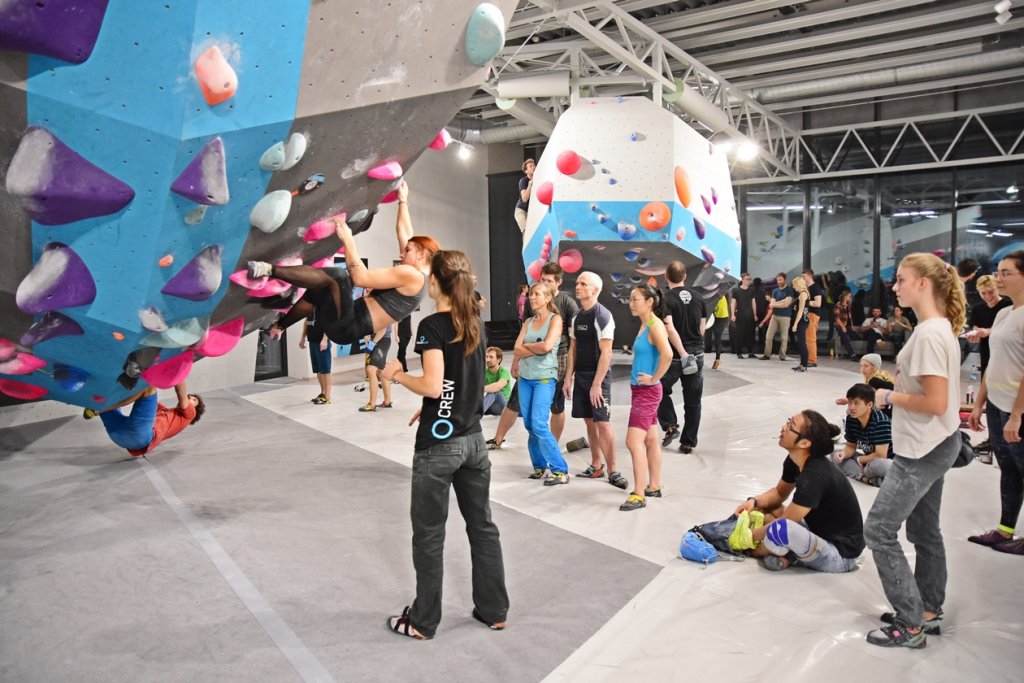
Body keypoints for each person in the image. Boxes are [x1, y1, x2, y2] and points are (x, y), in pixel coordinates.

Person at [380, 250, 508, 640]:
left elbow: (436, 384)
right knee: (483, 527)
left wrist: (398, 375)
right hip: (472, 443)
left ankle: (422, 621)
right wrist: (431, 407)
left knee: (430, 536)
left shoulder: (432, 325)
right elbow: (460, 381)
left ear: (436, 282)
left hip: (439, 449)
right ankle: (494, 610)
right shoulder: (474, 321)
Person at [863, 252, 965, 649]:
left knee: (879, 529)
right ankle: (927, 609)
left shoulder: (928, 334)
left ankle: (909, 622)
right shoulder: (938, 329)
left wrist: (890, 395)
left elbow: (936, 402)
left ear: (923, 283)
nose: (895, 286)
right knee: (924, 529)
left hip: (923, 447)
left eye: (902, 279)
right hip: (938, 442)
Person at [249, 180, 439, 346]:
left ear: (422, 254)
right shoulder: (419, 276)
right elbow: (405, 234)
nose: (402, 252)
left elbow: (361, 278)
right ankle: (278, 327)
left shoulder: (413, 276)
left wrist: (348, 240)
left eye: (408, 251)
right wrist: (403, 200)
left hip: (348, 326)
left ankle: (266, 269)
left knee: (338, 277)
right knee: (318, 290)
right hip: (346, 320)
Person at [732, 410, 863, 573]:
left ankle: (774, 553)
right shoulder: (795, 460)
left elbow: (786, 522)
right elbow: (779, 493)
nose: (783, 428)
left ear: (804, 443)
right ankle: (788, 554)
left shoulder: (815, 475)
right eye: (788, 421)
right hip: (815, 532)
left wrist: (748, 538)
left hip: (840, 555)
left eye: (790, 426)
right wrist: (753, 501)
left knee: (781, 529)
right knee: (765, 510)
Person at [486, 263, 579, 450]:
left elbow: (571, 341)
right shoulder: (532, 303)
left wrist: (570, 372)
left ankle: (550, 445)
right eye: (542, 279)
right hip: (530, 359)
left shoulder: (568, 304)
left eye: (549, 281)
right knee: (515, 399)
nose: (544, 284)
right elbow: (523, 335)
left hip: (557, 359)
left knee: (556, 405)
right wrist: (516, 359)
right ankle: (498, 439)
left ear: (559, 282)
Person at [967, 250, 1024, 555]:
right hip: (998, 406)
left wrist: (1017, 415)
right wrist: (979, 405)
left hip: (1018, 410)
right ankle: (1005, 530)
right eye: (998, 272)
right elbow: (995, 363)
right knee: (1009, 469)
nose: (998, 278)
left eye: (1006, 273)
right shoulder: (1005, 313)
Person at [564, 271, 628, 489]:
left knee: (603, 422)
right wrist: (567, 378)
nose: (578, 286)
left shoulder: (602, 316)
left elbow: (607, 354)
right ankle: (596, 465)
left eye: (583, 284)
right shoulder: (576, 317)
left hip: (597, 376)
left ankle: (613, 470)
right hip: (580, 375)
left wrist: (597, 384)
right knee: (589, 421)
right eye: (578, 282)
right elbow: (572, 350)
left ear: (595, 290)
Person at [620, 286, 672, 511]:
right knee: (650, 439)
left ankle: (639, 494)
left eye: (635, 299)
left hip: (647, 392)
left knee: (633, 442)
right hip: (640, 390)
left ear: (650, 301)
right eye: (630, 299)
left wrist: (653, 379)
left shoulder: (655, 325)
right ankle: (653, 485)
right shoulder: (645, 324)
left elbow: (668, 354)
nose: (631, 303)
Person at [513, 282, 568, 484]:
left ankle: (560, 470)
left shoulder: (555, 320)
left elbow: (546, 347)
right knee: (529, 424)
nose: (532, 297)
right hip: (525, 378)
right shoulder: (528, 322)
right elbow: (516, 348)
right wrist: (530, 349)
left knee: (538, 423)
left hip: (544, 377)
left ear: (547, 298)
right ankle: (539, 467)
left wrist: (527, 347)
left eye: (537, 294)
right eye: (531, 294)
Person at [658, 262, 705, 453]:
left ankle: (670, 425)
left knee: (658, 388)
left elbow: (668, 327)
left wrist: (683, 353)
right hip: (697, 354)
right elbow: (702, 329)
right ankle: (688, 442)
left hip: (676, 356)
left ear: (666, 277)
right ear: (685, 276)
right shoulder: (699, 298)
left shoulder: (665, 299)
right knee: (693, 401)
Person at [84, 382, 204, 456]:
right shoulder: (165, 412)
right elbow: (144, 399)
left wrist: (179, 368)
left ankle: (99, 410)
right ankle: (96, 407)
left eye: (194, 400)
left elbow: (181, 395)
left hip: (139, 438)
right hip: (119, 436)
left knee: (149, 388)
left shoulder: (189, 415)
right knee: (102, 398)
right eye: (191, 396)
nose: (190, 397)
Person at [834, 383, 893, 486]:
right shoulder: (851, 419)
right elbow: (850, 446)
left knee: (880, 464)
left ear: (869, 405)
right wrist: (843, 454)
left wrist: (859, 459)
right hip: (868, 461)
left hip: (885, 462)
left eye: (857, 403)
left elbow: (881, 455)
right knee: (835, 455)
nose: (852, 407)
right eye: (850, 403)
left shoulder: (881, 421)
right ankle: (866, 479)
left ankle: (864, 474)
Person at [964, 274, 1011, 375]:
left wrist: (989, 332)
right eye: (983, 293)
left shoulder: (1009, 305)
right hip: (986, 353)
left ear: (997, 289)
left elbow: (1011, 329)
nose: (987, 296)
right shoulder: (977, 309)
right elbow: (974, 326)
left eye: (991, 292)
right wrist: (975, 335)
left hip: (1006, 353)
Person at [299, 310, 333, 405]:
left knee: (326, 370)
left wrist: (325, 339)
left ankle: (327, 396)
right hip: (312, 341)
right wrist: (302, 338)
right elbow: (307, 322)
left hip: (322, 342)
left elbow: (329, 323)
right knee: (318, 370)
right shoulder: (309, 308)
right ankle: (323, 393)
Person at [760, 273, 793, 361]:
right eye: (778, 280)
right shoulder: (775, 291)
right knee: (768, 336)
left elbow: (786, 304)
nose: (779, 282)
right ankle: (767, 354)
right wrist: (780, 303)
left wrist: (776, 304)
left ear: (785, 280)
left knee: (784, 337)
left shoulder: (789, 290)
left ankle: (782, 356)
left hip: (785, 316)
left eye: (780, 280)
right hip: (775, 316)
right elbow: (771, 305)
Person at [360, 324, 393, 411]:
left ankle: (372, 404)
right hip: (376, 340)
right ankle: (387, 401)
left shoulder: (382, 310)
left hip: (383, 341)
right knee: (380, 372)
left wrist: (372, 344)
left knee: (371, 370)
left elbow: (382, 330)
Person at [730, 273, 758, 359]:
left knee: (750, 334)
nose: (749, 281)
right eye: (747, 279)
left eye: (750, 279)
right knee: (740, 334)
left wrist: (755, 314)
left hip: (750, 315)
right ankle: (739, 353)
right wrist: (732, 314)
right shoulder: (736, 291)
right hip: (740, 315)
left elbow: (753, 302)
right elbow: (733, 303)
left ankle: (750, 352)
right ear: (742, 280)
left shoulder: (751, 290)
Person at [802, 269, 824, 367]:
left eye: (804, 276)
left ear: (810, 276)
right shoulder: (806, 287)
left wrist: (807, 302)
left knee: (810, 338)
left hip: (813, 314)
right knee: (807, 338)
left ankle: (812, 360)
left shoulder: (815, 287)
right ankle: (808, 359)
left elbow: (818, 303)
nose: (803, 278)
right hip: (807, 314)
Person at [483, 346, 512, 416]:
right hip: (491, 405)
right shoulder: (484, 373)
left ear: (498, 359)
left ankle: (475, 415)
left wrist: (480, 389)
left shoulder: (504, 372)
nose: (487, 359)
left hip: (504, 406)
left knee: (494, 391)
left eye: (491, 357)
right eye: (486, 357)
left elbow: (497, 386)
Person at [790, 276, 810, 373]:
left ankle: (804, 365)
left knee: (802, 344)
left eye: (794, 285)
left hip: (802, 322)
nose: (793, 287)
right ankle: (802, 364)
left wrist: (795, 324)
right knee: (801, 343)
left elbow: (801, 311)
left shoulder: (803, 294)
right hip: (801, 321)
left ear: (798, 284)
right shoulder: (801, 294)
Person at [705, 293, 729, 369]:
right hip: (712, 315)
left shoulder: (724, 292)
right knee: (708, 334)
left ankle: (717, 358)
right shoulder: (711, 293)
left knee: (717, 336)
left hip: (721, 316)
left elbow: (727, 303)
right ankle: (707, 350)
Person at [833, 289, 856, 359]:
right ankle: (852, 355)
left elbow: (850, 317)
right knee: (845, 337)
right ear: (845, 296)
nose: (850, 298)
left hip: (846, 325)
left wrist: (852, 326)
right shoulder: (839, 305)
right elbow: (836, 318)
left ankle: (843, 342)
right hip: (839, 325)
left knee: (855, 336)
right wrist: (842, 327)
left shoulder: (848, 305)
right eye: (849, 296)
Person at [513, 159, 534, 233]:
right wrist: (530, 185)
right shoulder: (523, 181)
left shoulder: (538, 180)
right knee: (526, 232)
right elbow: (524, 198)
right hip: (521, 210)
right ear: (526, 171)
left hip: (530, 212)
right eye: (530, 166)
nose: (533, 167)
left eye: (534, 165)